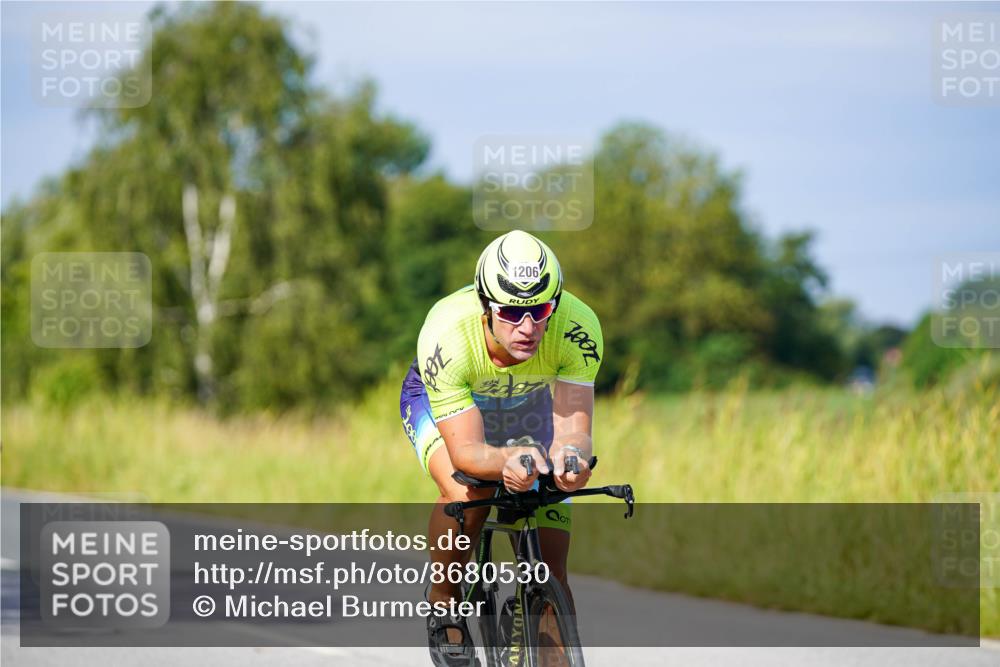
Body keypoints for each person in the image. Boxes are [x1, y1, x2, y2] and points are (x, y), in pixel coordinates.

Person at [398, 229, 604, 666]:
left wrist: (572, 461)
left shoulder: (577, 326)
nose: (528, 328)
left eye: (540, 310)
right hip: (448, 404)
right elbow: (467, 452)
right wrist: (503, 461)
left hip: (524, 400)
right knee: (468, 491)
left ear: (557, 302)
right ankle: (444, 600)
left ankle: (548, 623)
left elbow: (573, 430)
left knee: (550, 515)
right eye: (511, 313)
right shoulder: (448, 334)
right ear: (485, 305)